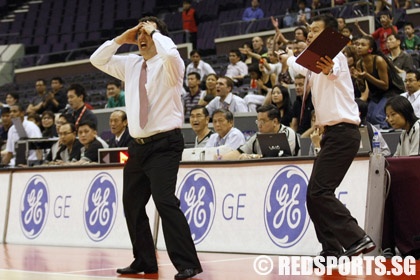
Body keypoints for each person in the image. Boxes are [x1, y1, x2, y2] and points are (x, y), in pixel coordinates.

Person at [90, 16, 202, 279]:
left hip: (165, 144)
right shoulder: (131, 64)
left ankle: (188, 263)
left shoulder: (169, 64)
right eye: (138, 33)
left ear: (159, 36)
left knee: (164, 201)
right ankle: (144, 260)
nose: (141, 37)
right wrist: (121, 38)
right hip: (137, 146)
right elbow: (97, 60)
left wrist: (155, 32)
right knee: (131, 202)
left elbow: (173, 55)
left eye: (147, 33)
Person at [287, 14, 376, 263]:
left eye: (316, 30)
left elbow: (333, 70)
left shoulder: (334, 58)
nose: (311, 34)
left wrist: (329, 68)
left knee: (320, 192)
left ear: (328, 35)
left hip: (343, 134)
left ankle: (356, 237)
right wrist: (287, 57)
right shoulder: (312, 63)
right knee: (313, 195)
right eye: (310, 31)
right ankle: (331, 250)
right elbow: (298, 65)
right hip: (332, 135)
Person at [352, 35, 403, 128]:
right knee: (368, 117)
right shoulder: (359, 63)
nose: (359, 47)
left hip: (390, 93)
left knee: (378, 117)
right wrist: (359, 79)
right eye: (358, 44)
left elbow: (385, 85)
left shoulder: (379, 60)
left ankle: (389, 137)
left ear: (370, 49)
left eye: (363, 45)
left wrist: (367, 76)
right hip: (376, 95)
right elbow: (363, 88)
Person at [220, 104, 300, 160]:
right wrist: (220, 158)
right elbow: (239, 152)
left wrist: (252, 157)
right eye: (258, 121)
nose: (259, 125)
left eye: (262, 122)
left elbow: (281, 159)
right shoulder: (257, 136)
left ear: (275, 122)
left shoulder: (288, 133)